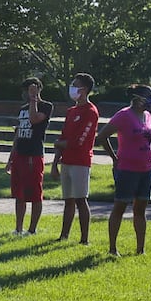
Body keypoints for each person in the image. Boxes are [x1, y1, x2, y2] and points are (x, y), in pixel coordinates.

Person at [97, 86, 151, 256]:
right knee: (120, 206)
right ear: (137, 98)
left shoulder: (147, 116)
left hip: (147, 168)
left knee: (140, 209)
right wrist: (114, 158)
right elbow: (102, 136)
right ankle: (112, 249)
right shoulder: (123, 115)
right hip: (127, 169)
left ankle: (140, 249)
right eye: (148, 97)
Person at [54, 73, 99, 243]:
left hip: (80, 161)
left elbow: (80, 140)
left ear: (85, 89)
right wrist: (56, 161)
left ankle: (84, 239)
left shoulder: (90, 111)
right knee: (68, 200)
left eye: (75, 85)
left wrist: (60, 145)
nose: (72, 87)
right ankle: (64, 235)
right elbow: (63, 135)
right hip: (66, 160)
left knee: (81, 199)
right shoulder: (71, 111)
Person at [7, 78, 51, 235]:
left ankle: (32, 229)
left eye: (31, 89)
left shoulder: (46, 106)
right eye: (27, 90)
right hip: (20, 154)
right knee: (19, 194)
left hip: (34, 154)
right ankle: (18, 228)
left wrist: (34, 99)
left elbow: (34, 119)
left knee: (34, 193)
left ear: (39, 89)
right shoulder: (23, 108)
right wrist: (11, 158)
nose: (28, 93)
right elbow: (18, 133)